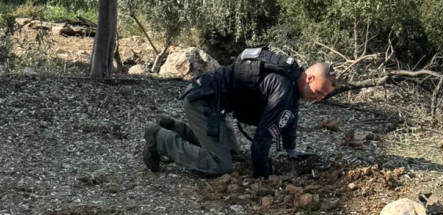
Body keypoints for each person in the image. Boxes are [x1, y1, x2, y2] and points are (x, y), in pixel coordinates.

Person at [142, 48, 336, 178]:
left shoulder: (292, 78)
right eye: (319, 92)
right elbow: (263, 138)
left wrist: (290, 148)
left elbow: (290, 115)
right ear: (310, 78)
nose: (318, 99)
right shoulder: (284, 87)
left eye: (323, 96)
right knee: (221, 165)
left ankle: (172, 127)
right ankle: (160, 139)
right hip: (202, 101)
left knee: (233, 154)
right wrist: (263, 176)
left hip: (215, 105)